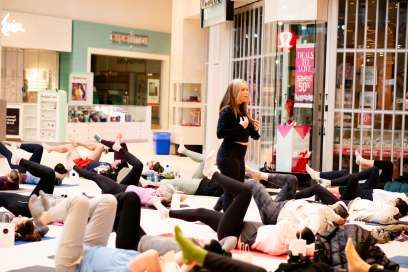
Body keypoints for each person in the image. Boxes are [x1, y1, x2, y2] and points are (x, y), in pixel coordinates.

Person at [156, 160, 319, 257]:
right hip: (233, 229)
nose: (296, 227)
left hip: (234, 232)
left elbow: (293, 230)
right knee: (202, 214)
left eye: (298, 230)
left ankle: (214, 174)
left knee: (245, 192)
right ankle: (168, 212)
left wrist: (307, 240)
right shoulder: (283, 240)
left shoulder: (284, 239)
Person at [73, 141, 176, 208]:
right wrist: (174, 194)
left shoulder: (155, 198)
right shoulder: (155, 191)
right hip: (127, 183)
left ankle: (73, 166)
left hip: (120, 188)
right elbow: (177, 195)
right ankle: (116, 148)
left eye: (161, 190)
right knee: (137, 164)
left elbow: (157, 202)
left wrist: (164, 206)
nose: (159, 189)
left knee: (96, 176)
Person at [215, 78, 260, 211]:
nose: (246, 92)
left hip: (239, 157)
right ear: (235, 93)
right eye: (243, 90)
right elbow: (220, 133)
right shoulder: (227, 111)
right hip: (228, 156)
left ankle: (217, 208)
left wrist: (255, 129)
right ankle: (225, 221)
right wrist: (240, 127)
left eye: (247, 89)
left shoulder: (243, 111)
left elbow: (254, 136)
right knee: (233, 190)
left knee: (237, 187)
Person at [0, 142, 68, 186]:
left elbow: (15, 179)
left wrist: (14, 176)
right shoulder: (52, 175)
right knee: (39, 148)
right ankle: (18, 145)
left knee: (8, 154)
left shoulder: (51, 180)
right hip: (32, 169)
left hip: (22, 172)